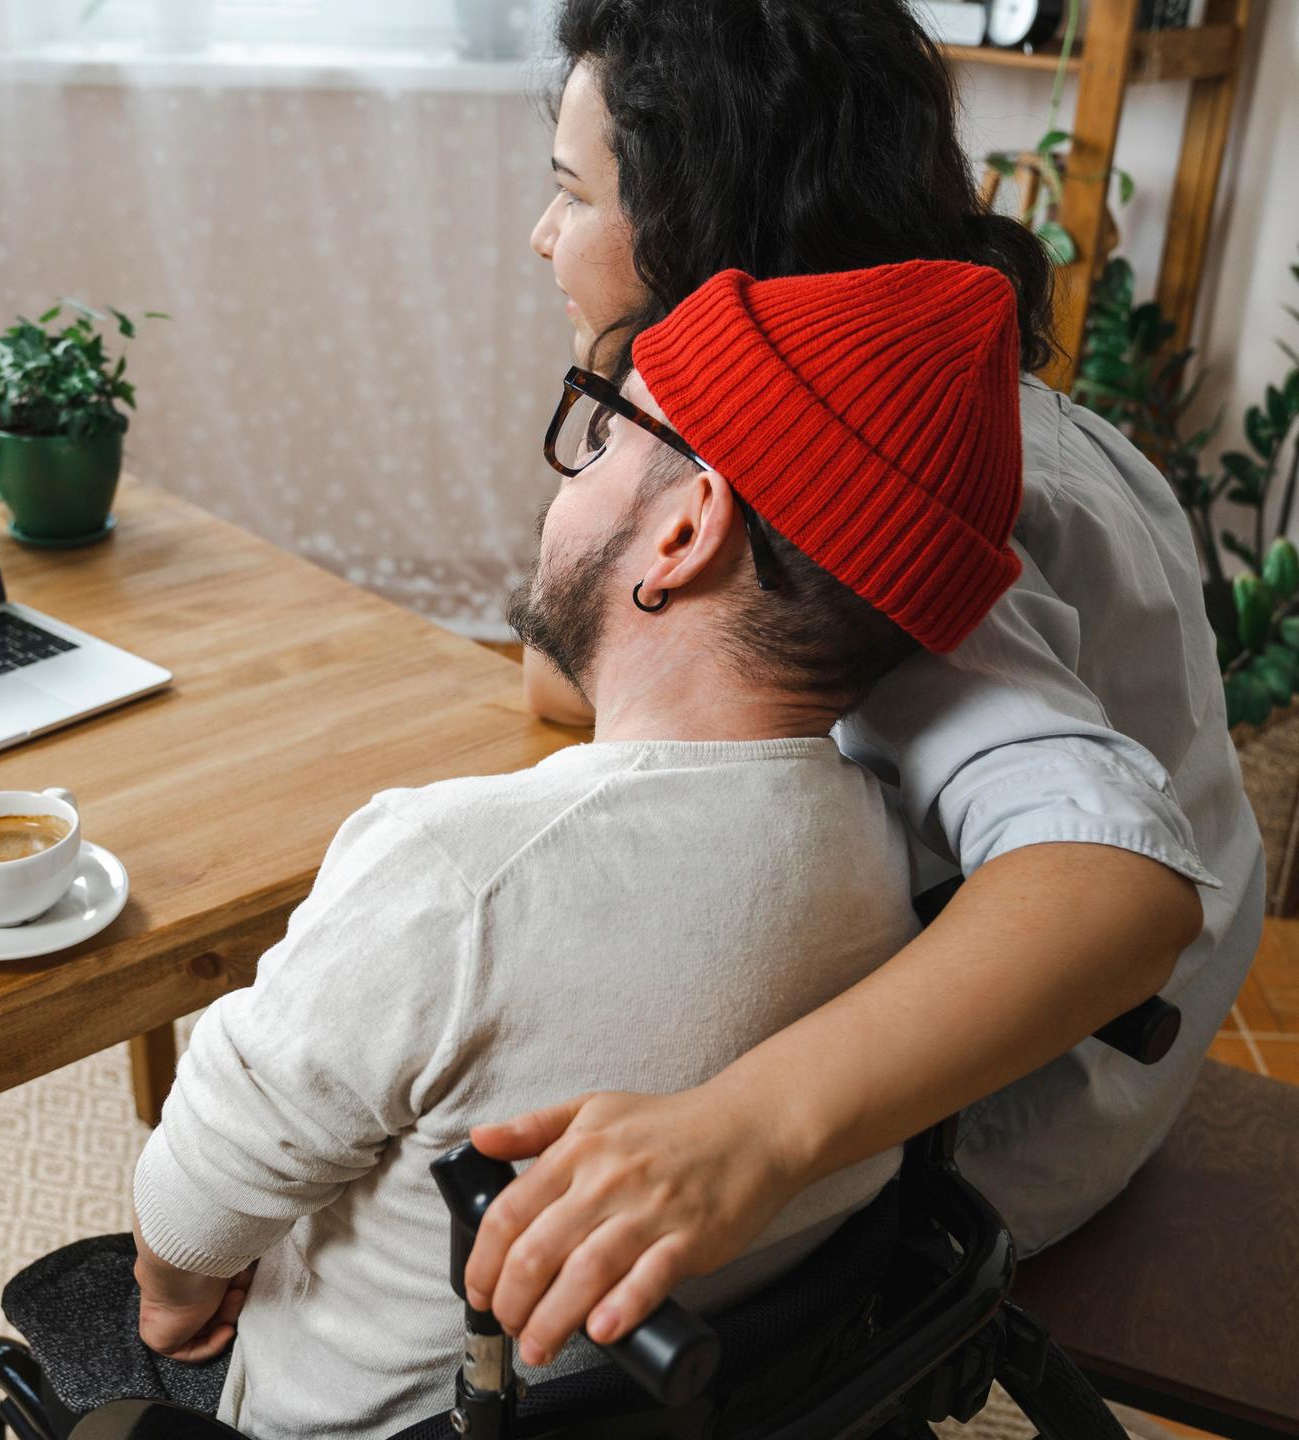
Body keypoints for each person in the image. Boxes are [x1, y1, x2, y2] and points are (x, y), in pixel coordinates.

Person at [460, 0, 1259, 1375]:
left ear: (706, 227)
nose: (541, 240)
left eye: (570, 193)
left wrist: (745, 1133)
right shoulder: (904, 404)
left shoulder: (881, 518)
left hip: (1037, 1109)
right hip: (1120, 1037)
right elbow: (562, 670)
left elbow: (1114, 884)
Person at [123, 261, 1026, 1439]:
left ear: (688, 526)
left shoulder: (458, 873)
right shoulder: (897, 856)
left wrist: (168, 1303)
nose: (568, 471)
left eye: (602, 442)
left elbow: (190, 1221)